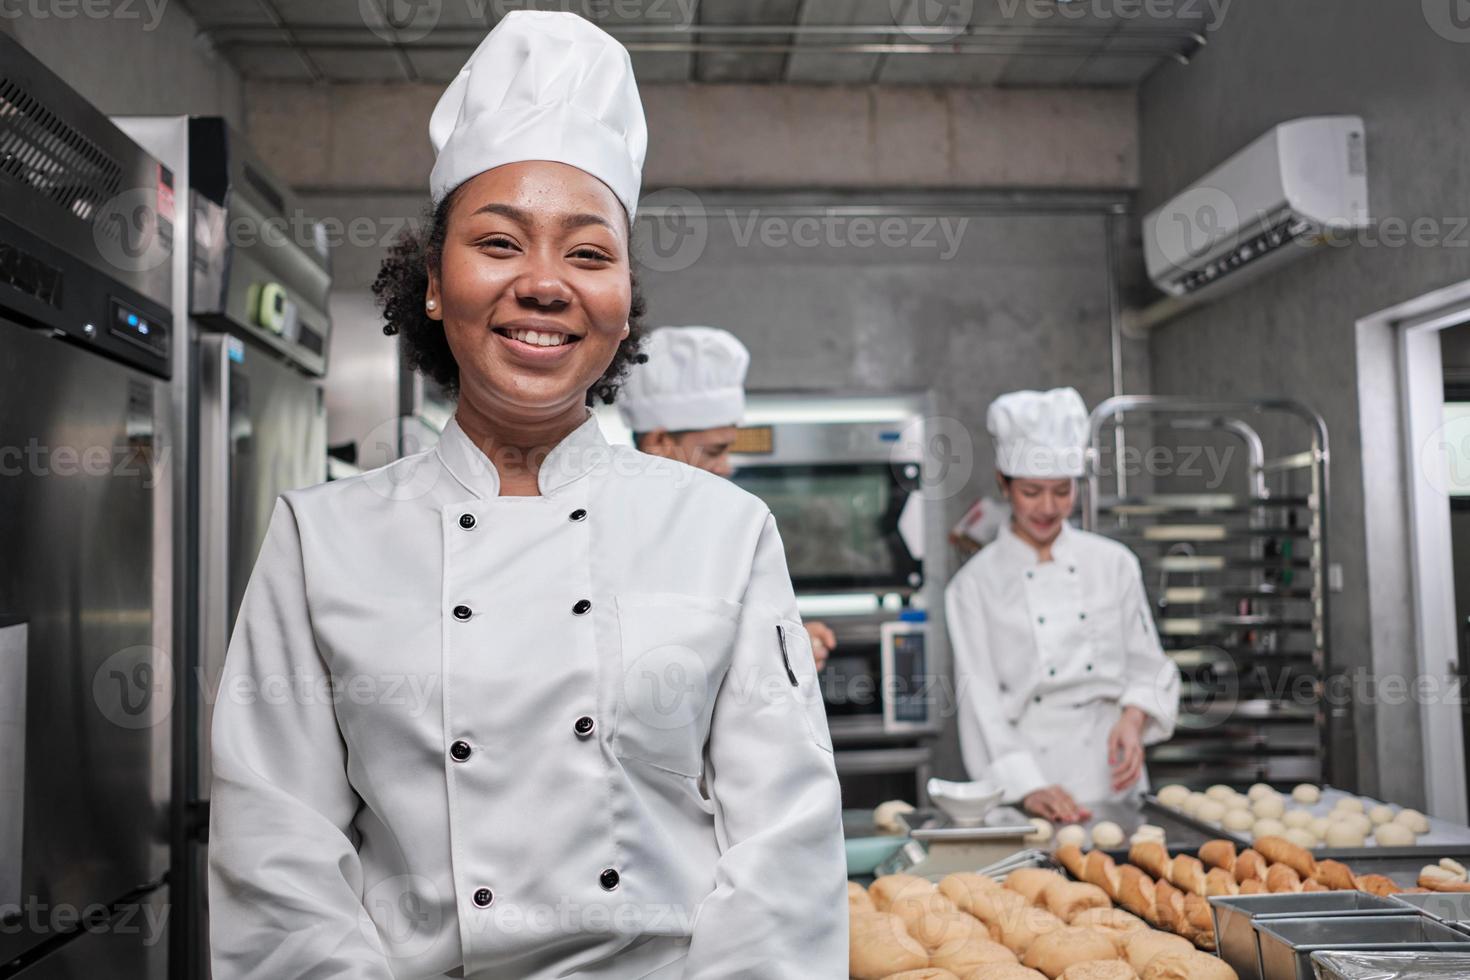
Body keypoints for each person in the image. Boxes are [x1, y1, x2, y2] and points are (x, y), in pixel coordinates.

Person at [207, 12, 846, 979]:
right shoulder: (320, 538)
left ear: (623, 299)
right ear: (432, 281)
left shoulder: (724, 531)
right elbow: (276, 852)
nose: (545, 283)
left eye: (589, 254)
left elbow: (784, 852)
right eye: (499, 243)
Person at [944, 387, 1180, 825]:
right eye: (1032, 492)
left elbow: (1148, 665)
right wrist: (1028, 786)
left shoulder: (1113, 564)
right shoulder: (972, 586)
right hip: (1027, 776)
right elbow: (981, 703)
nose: (1048, 508)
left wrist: (1133, 718)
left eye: (1061, 491)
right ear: (1003, 483)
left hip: (1114, 776)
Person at [616, 324, 838, 668]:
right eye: (716, 451)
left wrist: (789, 641)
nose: (726, 467)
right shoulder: (620, 528)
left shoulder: (707, 524)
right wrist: (782, 654)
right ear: (659, 442)